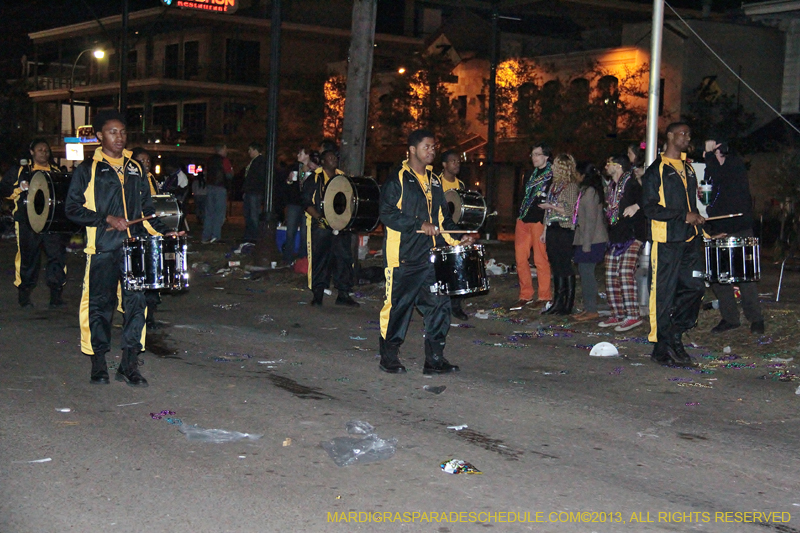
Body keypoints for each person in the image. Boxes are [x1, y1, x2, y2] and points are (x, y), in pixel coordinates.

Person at [65, 109, 178, 386]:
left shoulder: (135, 168)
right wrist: (105, 219)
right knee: (100, 308)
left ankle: (129, 364)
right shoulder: (87, 169)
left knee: (136, 307)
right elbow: (71, 209)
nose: (119, 137)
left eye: (123, 132)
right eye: (113, 132)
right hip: (102, 249)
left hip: (134, 249)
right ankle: (99, 363)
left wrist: (167, 231)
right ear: (99, 135)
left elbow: (147, 211)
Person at [378, 129, 474, 374]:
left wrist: (459, 238)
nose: (432, 150)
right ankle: (388, 356)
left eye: (433, 147)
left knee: (440, 305)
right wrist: (418, 224)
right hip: (403, 257)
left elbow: (443, 220)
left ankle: (434, 360)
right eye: (427, 147)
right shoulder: (398, 178)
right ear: (412, 150)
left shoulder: (434, 180)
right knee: (398, 307)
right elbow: (387, 213)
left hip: (430, 257)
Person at [641, 122, 705, 365]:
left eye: (689, 133)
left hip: (689, 238)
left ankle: (675, 333)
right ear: (669, 136)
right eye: (683, 133)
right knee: (663, 295)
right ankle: (662, 346)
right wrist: (683, 215)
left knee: (696, 287)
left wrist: (697, 218)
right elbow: (650, 207)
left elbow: (690, 206)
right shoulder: (656, 170)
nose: (687, 137)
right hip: (666, 240)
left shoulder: (688, 169)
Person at [703, 138, 764, 334]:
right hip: (718, 227)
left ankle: (756, 318)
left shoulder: (735, 165)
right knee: (719, 279)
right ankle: (730, 318)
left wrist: (710, 156)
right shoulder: (712, 168)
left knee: (745, 277)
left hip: (739, 228)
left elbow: (721, 177)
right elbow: (710, 186)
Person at [0, 139, 68, 308]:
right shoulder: (21, 170)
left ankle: (56, 294)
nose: (44, 153)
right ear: (31, 151)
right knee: (28, 258)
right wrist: (19, 188)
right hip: (27, 221)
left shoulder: (56, 170)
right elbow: (4, 190)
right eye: (40, 149)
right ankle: (24, 293)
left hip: (52, 222)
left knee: (57, 257)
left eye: (46, 150)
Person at [302, 149, 359, 307]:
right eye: (330, 157)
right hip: (322, 226)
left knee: (344, 259)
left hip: (341, 225)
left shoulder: (343, 178)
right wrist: (319, 218)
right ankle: (318, 294)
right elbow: (306, 202)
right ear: (322, 161)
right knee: (321, 259)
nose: (333, 159)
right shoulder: (315, 179)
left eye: (335, 157)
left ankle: (343, 293)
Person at [598, 155, 647, 332]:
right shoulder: (611, 187)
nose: (606, 166)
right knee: (611, 274)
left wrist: (637, 206)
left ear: (618, 166)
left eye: (609, 163)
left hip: (632, 235)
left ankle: (633, 315)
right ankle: (617, 313)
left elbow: (649, 198)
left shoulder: (632, 184)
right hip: (616, 236)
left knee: (625, 272)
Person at [511, 142, 553, 311]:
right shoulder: (529, 174)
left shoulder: (552, 175)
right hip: (523, 218)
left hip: (538, 220)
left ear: (546, 156)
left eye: (537, 154)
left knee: (540, 259)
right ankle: (525, 294)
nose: (534, 158)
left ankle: (544, 296)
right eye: (533, 154)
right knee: (520, 259)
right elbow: (522, 195)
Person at [539, 153, 579, 315]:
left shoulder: (570, 186)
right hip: (553, 228)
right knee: (555, 265)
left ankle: (567, 304)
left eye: (555, 165)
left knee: (564, 266)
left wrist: (551, 206)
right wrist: (544, 230)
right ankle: (558, 301)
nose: (552, 167)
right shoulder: (553, 186)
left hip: (564, 229)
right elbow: (547, 213)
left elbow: (569, 210)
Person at [131, 147, 164, 330]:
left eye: (148, 161)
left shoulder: (151, 179)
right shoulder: (131, 181)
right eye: (141, 161)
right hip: (139, 232)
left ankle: (149, 316)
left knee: (154, 276)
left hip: (152, 231)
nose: (146, 165)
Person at [571, 162, 607, 322]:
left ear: (583, 175)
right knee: (585, 274)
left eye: (577, 173)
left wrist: (586, 245)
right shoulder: (584, 191)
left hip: (592, 241)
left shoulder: (591, 192)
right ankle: (588, 308)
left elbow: (591, 221)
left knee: (587, 275)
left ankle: (592, 309)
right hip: (586, 239)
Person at [438, 149, 469, 321]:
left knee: (458, 268)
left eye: (458, 161)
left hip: (456, 231)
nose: (456, 164)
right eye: (453, 161)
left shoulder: (461, 186)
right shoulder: (435, 183)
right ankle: (441, 304)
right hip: (440, 231)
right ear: (444, 164)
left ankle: (456, 305)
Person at [281, 148, 317, 263]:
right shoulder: (294, 167)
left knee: (304, 232)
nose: (298, 155)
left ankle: (302, 258)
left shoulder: (314, 168)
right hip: (294, 202)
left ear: (307, 155)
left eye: (300, 153)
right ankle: (288, 257)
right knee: (290, 230)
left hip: (307, 204)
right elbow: (287, 185)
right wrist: (289, 180)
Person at [202, 144, 232, 244]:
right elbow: (229, 175)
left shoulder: (209, 160)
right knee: (219, 213)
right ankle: (215, 235)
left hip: (210, 187)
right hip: (220, 187)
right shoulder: (225, 160)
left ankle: (206, 236)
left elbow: (205, 174)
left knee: (209, 212)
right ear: (222, 149)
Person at [242, 142, 266, 244]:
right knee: (249, 214)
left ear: (255, 150)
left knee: (253, 214)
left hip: (254, 191)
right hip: (250, 191)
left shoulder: (260, 162)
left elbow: (257, 178)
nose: (249, 152)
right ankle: (250, 235)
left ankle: (255, 236)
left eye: (250, 150)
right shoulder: (254, 161)